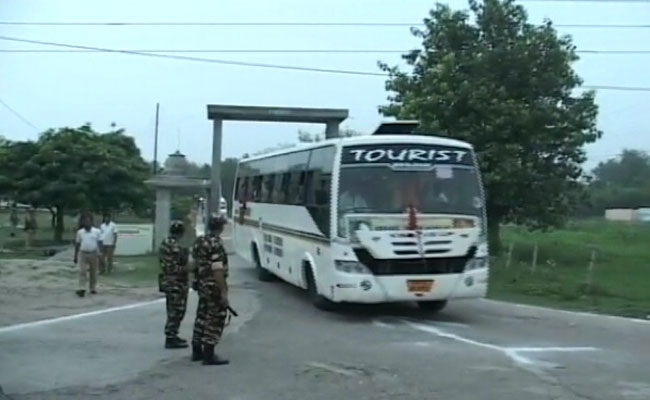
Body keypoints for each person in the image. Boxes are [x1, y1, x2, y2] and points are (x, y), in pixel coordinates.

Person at [190, 214, 230, 366]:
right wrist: (224, 292)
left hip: (202, 284)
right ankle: (209, 353)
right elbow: (217, 269)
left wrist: (195, 281)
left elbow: (193, 264)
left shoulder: (200, 241)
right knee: (215, 318)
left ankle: (196, 350)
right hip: (213, 285)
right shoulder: (216, 244)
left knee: (202, 315)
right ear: (221, 227)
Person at [159, 220, 190, 349]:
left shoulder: (164, 243)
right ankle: (171, 336)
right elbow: (180, 265)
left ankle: (172, 335)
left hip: (167, 280)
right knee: (177, 310)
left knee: (171, 309)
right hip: (176, 281)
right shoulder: (177, 247)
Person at [73, 214, 101, 297]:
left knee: (93, 271)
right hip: (83, 253)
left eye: (88, 221)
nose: (87, 223)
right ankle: (82, 288)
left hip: (93, 253)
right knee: (82, 271)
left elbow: (99, 243)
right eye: (85, 221)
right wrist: (75, 256)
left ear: (91, 222)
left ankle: (92, 288)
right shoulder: (80, 232)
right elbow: (77, 244)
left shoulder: (97, 231)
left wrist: (100, 253)